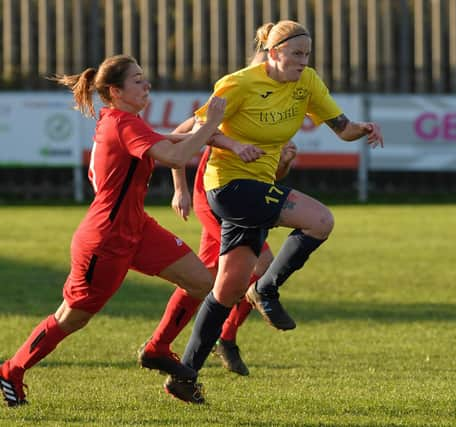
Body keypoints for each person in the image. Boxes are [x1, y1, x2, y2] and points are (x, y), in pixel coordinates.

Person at [160, 20, 383, 404]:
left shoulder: (307, 82)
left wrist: (363, 128)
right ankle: (266, 289)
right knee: (320, 220)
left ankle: (185, 375)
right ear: (274, 53)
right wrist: (232, 146)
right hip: (226, 187)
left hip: (258, 189)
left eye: (307, 54)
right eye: (296, 54)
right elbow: (198, 129)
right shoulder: (239, 83)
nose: (303, 61)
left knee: (226, 290)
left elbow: (342, 128)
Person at [0, 54, 227, 407]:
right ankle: (11, 370)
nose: (146, 84)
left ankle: (157, 348)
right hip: (105, 241)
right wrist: (212, 123)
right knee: (71, 318)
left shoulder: (126, 121)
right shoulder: (124, 124)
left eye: (144, 77)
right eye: (137, 80)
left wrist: (219, 136)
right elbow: (175, 157)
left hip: (137, 228)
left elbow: (172, 142)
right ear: (115, 91)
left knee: (200, 280)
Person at [169, 138, 297, 376]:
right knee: (262, 263)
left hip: (240, 200)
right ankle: (226, 338)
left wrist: (284, 163)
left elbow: (269, 176)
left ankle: (159, 345)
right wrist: (180, 190)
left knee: (206, 276)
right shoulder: (231, 103)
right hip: (213, 196)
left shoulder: (278, 118)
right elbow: (179, 139)